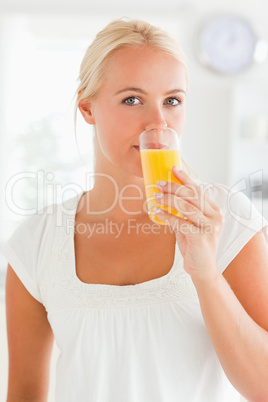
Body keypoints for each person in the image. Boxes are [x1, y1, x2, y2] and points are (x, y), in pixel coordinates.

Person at [2, 17, 268, 402]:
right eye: (132, 99)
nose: (159, 122)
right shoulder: (36, 243)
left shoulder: (226, 219)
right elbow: (24, 393)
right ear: (87, 108)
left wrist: (205, 273)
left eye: (172, 101)